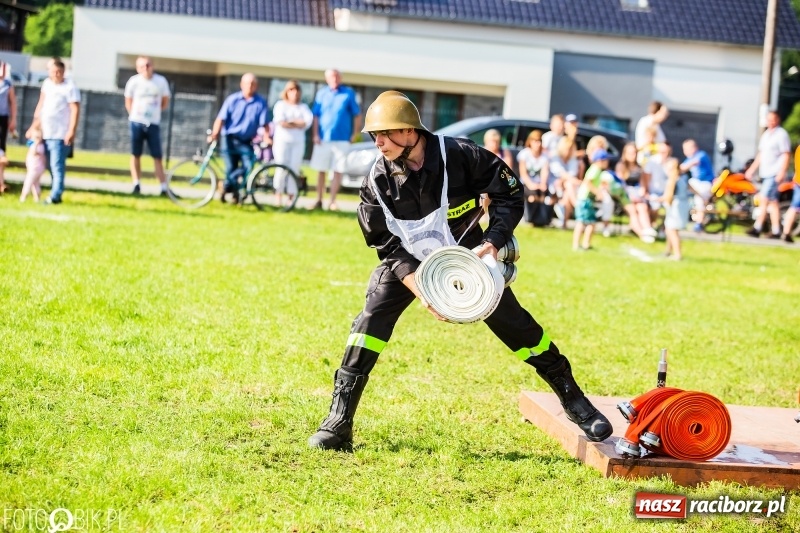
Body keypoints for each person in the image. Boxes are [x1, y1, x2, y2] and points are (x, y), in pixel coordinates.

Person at [307, 91, 612, 451]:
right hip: (409, 262)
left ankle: (574, 400)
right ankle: (339, 422)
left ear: (410, 131)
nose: (379, 143)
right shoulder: (376, 182)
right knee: (369, 323)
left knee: (518, 327)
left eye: (386, 134)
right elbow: (384, 243)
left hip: (468, 257)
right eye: (374, 135)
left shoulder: (461, 155)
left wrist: (494, 241)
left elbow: (510, 192)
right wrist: (423, 289)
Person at [26, 57, 81, 205]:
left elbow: (75, 110)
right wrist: (34, 126)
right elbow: (41, 106)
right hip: (45, 132)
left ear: (63, 72)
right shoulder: (47, 84)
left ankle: (55, 195)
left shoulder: (69, 86)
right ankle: (55, 192)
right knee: (49, 164)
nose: (56, 74)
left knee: (57, 164)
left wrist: (71, 130)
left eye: (59, 72)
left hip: (60, 133)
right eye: (54, 71)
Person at [209, 73, 269, 204]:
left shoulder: (260, 102)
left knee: (248, 165)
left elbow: (265, 124)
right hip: (229, 138)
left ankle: (225, 186)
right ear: (242, 85)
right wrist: (214, 134)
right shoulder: (232, 100)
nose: (250, 86)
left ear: (256, 86)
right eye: (247, 83)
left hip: (246, 140)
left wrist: (267, 138)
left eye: (253, 84)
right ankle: (233, 194)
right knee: (231, 166)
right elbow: (221, 119)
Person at [310, 69, 361, 211]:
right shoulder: (321, 93)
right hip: (323, 138)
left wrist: (355, 134)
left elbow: (357, 114)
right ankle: (318, 200)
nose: (335, 78)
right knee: (321, 169)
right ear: (327, 79)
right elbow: (316, 116)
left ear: (341, 78)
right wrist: (315, 134)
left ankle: (332, 201)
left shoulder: (348, 93)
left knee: (338, 170)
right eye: (332, 76)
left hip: (343, 139)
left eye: (337, 76)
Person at [124, 56, 171, 196]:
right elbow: (128, 101)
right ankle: (136, 184)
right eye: (142, 66)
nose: (146, 68)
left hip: (153, 123)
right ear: (138, 68)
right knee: (135, 154)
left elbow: (164, 101)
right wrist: (135, 115)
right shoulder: (134, 81)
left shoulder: (160, 81)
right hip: (136, 122)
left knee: (157, 156)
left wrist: (153, 114)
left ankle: (163, 186)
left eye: (148, 65)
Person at [746, 110, 791, 239]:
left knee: (764, 198)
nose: (770, 122)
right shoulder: (766, 134)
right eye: (768, 119)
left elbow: (786, 154)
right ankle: (776, 230)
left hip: (774, 172)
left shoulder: (781, 135)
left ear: (778, 120)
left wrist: (782, 171)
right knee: (773, 201)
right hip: (765, 171)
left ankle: (757, 227)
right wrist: (752, 169)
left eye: (773, 119)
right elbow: (761, 154)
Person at [272, 80, 313, 207]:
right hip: (282, 142)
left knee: (294, 168)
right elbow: (281, 122)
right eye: (291, 90)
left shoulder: (303, 107)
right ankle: (278, 195)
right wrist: (297, 123)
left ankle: (291, 197)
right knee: (281, 167)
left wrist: (291, 122)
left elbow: (306, 122)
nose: (294, 93)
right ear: (286, 92)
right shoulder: (280, 105)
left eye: (296, 90)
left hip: (298, 143)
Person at [616, 141, 656, 242]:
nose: (632, 155)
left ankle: (647, 229)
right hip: (624, 194)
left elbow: (642, 184)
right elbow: (620, 185)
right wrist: (630, 196)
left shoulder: (639, 168)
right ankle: (642, 235)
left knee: (642, 207)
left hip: (636, 193)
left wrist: (641, 194)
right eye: (630, 153)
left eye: (634, 152)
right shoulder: (621, 166)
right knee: (633, 210)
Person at [572, 149, 610, 250]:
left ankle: (585, 244)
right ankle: (577, 244)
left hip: (586, 200)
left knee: (591, 223)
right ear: (600, 161)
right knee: (582, 222)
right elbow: (588, 182)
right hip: (585, 200)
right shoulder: (595, 169)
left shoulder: (596, 170)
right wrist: (598, 193)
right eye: (606, 160)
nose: (607, 162)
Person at [516, 129, 553, 227]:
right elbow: (523, 174)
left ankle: (542, 220)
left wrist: (543, 184)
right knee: (532, 197)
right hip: (526, 183)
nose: (538, 144)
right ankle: (530, 219)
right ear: (530, 142)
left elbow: (545, 172)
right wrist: (531, 185)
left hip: (539, 183)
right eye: (535, 141)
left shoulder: (545, 157)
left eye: (539, 141)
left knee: (545, 197)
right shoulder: (524, 154)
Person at [679, 138, 715, 232]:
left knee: (699, 198)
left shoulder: (701, 155)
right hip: (696, 184)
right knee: (685, 184)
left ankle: (699, 222)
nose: (685, 151)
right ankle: (695, 218)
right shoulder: (690, 158)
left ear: (694, 147)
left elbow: (692, 163)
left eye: (687, 148)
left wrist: (679, 169)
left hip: (705, 183)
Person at [662, 156, 689, 260]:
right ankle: (668, 251)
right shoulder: (683, 178)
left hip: (675, 207)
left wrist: (660, 201)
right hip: (683, 204)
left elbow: (668, 197)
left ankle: (677, 254)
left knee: (671, 231)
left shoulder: (671, 180)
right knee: (672, 230)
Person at [0, 65, 16, 195]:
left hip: (2, 118)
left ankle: (1, 182)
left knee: (1, 151)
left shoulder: (7, 84)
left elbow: (12, 102)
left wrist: (13, 119)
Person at [19, 125, 46, 203]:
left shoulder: (39, 146)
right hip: (33, 167)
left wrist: (36, 144)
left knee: (28, 182)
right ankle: (37, 198)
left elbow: (33, 152)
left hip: (35, 168)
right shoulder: (33, 144)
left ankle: (23, 196)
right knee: (35, 184)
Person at [780, 145, 800, 243]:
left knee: (794, 207)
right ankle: (786, 232)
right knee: (794, 207)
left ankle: (786, 232)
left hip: (797, 182)